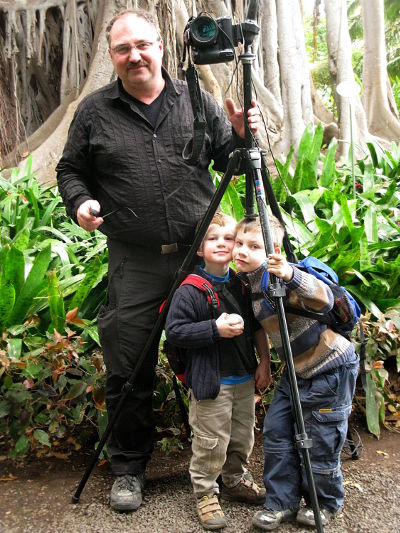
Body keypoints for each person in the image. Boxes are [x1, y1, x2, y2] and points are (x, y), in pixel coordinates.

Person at [56, 8, 261, 513]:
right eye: (123, 49)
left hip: (201, 258)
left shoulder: (197, 98)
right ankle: (128, 467)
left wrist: (240, 135)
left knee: (225, 349)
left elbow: (228, 161)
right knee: (128, 363)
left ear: (162, 47)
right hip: (136, 259)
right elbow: (69, 169)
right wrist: (79, 201)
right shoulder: (94, 111)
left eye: (143, 45)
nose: (135, 56)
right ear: (111, 56)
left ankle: (224, 465)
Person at [232, 215, 359, 530]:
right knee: (275, 434)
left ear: (273, 249)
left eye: (254, 246)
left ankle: (325, 503)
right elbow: (261, 326)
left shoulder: (283, 276)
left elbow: (324, 297)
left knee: (319, 441)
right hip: (295, 370)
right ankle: (281, 503)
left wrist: (289, 273)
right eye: (239, 243)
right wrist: (263, 361)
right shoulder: (248, 281)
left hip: (329, 368)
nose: (242, 251)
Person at [165, 212, 271, 531]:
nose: (222, 244)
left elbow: (257, 328)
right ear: (199, 249)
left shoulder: (241, 284)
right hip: (212, 381)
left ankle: (235, 478)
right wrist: (214, 328)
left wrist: (264, 362)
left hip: (243, 378)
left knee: (241, 435)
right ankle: (206, 492)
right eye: (213, 239)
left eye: (229, 238)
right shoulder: (191, 289)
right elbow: (176, 332)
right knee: (210, 441)